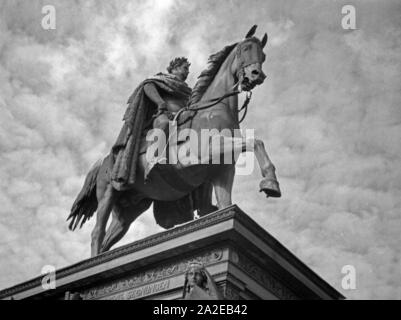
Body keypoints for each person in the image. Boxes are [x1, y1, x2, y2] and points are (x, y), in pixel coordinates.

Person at [111, 57, 192, 191]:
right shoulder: (162, 79)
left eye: (188, 70)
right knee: (165, 124)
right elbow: (147, 86)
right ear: (175, 68)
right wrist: (161, 103)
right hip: (163, 115)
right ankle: (154, 160)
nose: (187, 72)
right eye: (185, 68)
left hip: (182, 118)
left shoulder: (188, 91)